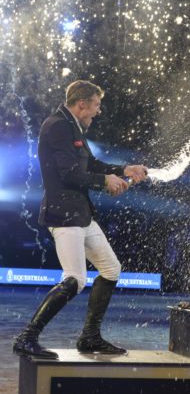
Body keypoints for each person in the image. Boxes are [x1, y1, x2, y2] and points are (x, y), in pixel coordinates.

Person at [13, 80, 148, 359]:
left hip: (80, 213)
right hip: (64, 214)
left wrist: (123, 168)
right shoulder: (58, 126)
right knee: (75, 278)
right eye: (96, 105)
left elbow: (89, 164)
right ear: (82, 103)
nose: (98, 112)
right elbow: (68, 173)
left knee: (110, 268)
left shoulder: (71, 125)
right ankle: (26, 338)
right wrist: (104, 181)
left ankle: (89, 338)